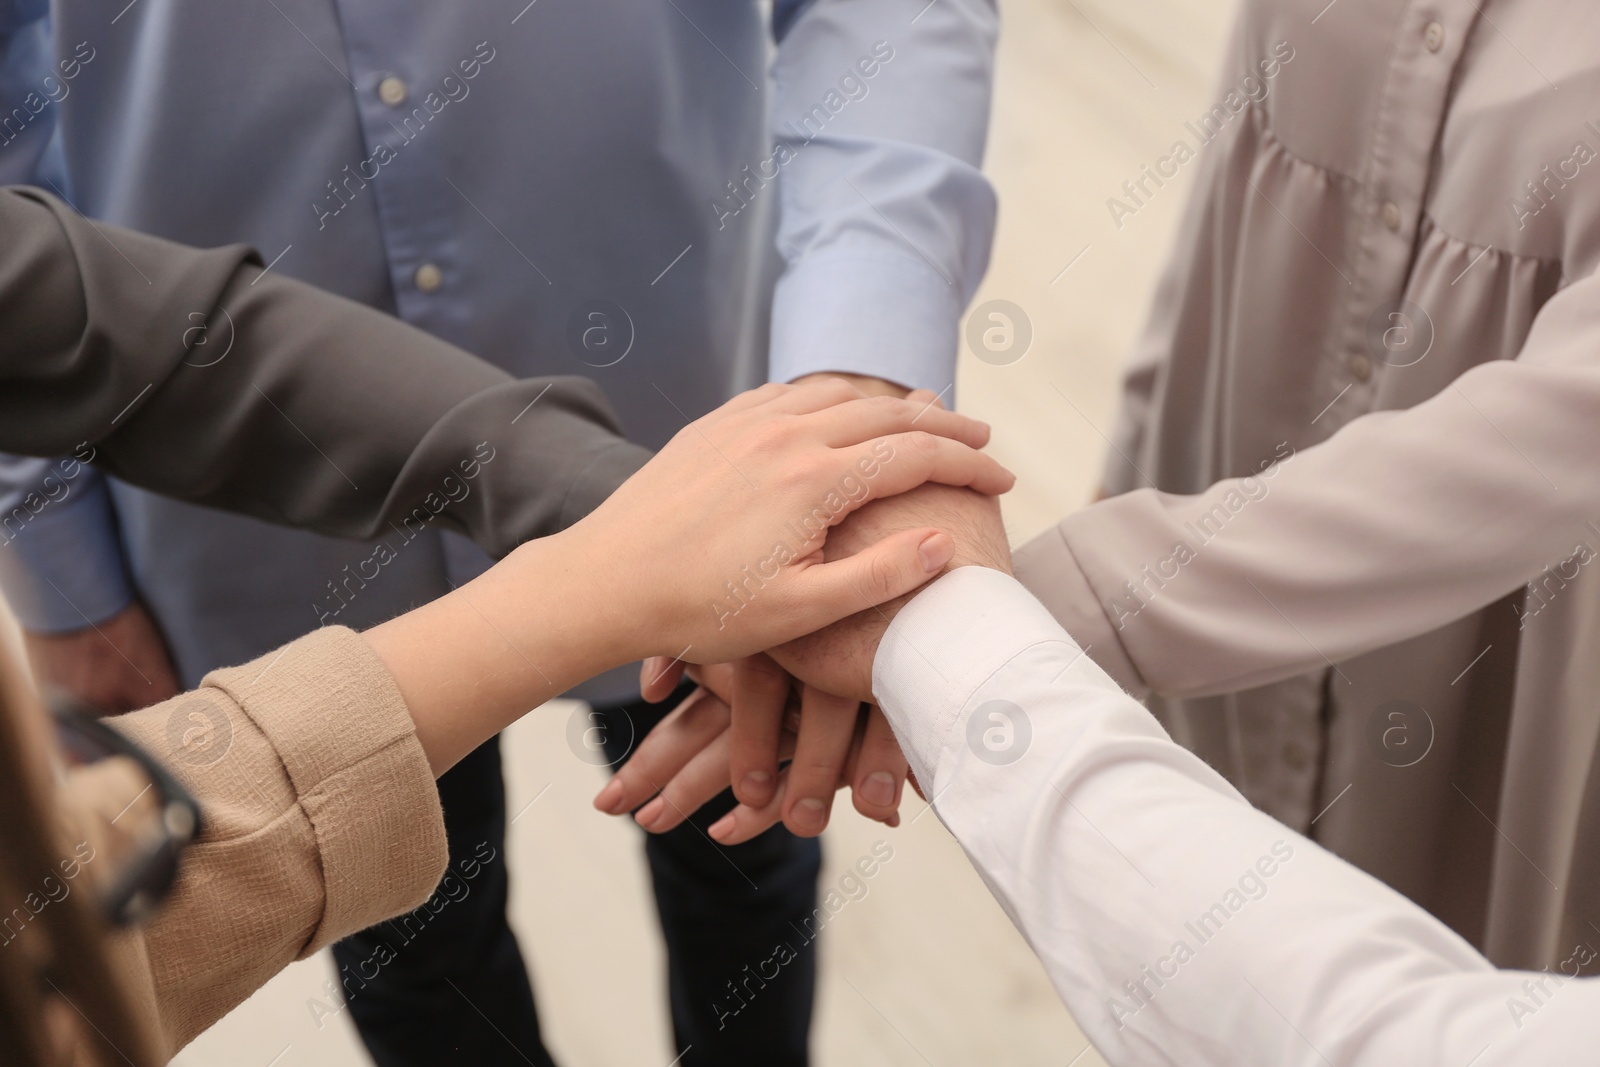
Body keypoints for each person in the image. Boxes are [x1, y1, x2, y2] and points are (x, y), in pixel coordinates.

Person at [0, 2, 998, 1060]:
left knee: (743, 844)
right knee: (399, 925)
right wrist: (59, 548)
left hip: (675, 379)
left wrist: (856, 393)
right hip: (247, 522)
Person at [618, 0, 1600, 984]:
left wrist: (1007, 615)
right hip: (1214, 506)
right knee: (1204, 951)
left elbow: (1564, 421)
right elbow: (1240, 166)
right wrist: (1124, 458)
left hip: (1504, 635)